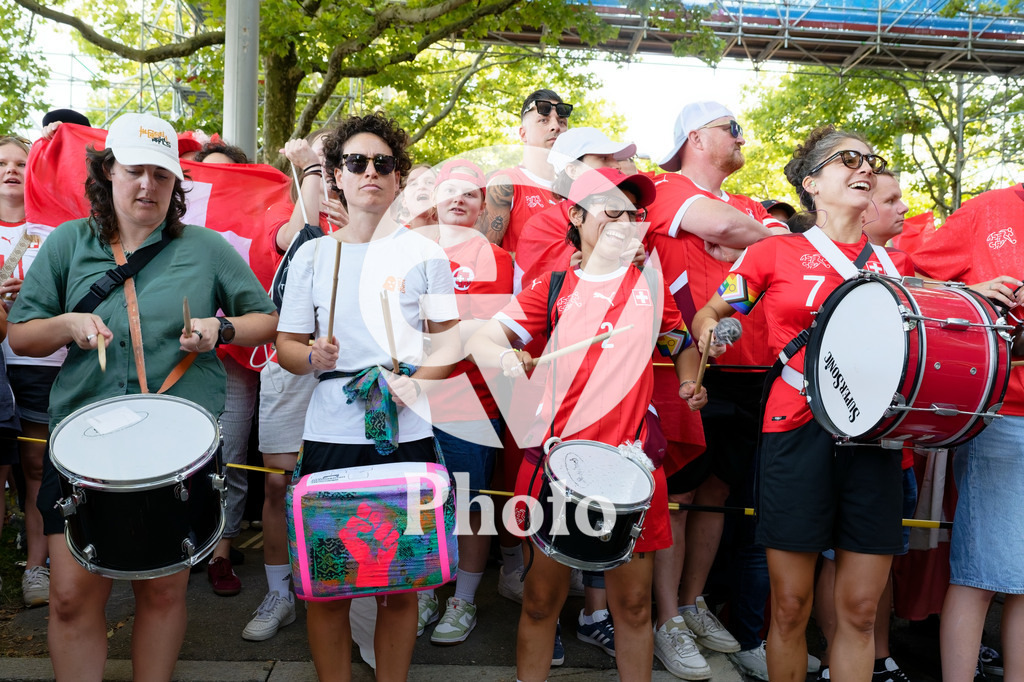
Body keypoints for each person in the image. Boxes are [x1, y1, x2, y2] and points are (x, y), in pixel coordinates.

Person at [7, 111, 278, 681]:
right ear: (107, 171)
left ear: (177, 185)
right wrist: (69, 324)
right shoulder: (67, 243)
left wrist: (219, 330)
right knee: (71, 596)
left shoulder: (204, 248)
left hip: (173, 448)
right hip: (82, 441)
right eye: (135, 171)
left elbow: (265, 319)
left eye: (162, 175)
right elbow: (22, 335)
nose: (148, 186)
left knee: (161, 592)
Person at [691, 124, 914, 682]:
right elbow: (715, 312)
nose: (864, 168)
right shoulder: (774, 254)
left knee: (860, 613)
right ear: (812, 182)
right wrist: (713, 332)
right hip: (794, 433)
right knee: (789, 609)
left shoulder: (898, 268)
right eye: (847, 160)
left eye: (871, 160)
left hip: (875, 441)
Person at [466, 167, 707, 682]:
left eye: (634, 215)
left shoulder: (650, 287)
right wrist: (508, 359)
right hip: (556, 465)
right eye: (611, 211)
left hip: (633, 465)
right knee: (539, 603)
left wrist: (689, 380)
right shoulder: (551, 286)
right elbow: (485, 339)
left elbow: (681, 342)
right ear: (575, 216)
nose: (625, 222)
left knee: (635, 609)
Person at [274, 112, 459, 682]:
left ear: (399, 178)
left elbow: (449, 344)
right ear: (336, 176)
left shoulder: (425, 255)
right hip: (330, 433)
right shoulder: (312, 255)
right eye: (356, 162)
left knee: (402, 582)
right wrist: (312, 358)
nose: (370, 172)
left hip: (407, 433)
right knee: (328, 586)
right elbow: (286, 345)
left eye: (383, 163)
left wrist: (415, 383)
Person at [643, 100, 787, 680]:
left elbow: (771, 247)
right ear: (697, 138)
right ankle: (664, 620)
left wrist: (744, 244)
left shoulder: (751, 203)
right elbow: (738, 236)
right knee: (676, 493)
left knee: (719, 492)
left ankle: (690, 602)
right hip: (683, 358)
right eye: (732, 128)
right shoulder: (662, 187)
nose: (742, 136)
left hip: (752, 367)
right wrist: (745, 244)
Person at [908, 182, 1024, 682]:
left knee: (1022, 582)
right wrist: (970, 293)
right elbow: (909, 276)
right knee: (980, 573)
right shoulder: (991, 208)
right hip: (1004, 413)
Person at [242, 127, 347, 642]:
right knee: (279, 484)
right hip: (290, 362)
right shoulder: (284, 216)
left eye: (336, 156)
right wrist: (309, 166)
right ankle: (280, 591)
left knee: (334, 486)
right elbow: (298, 229)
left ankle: (333, 585)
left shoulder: (365, 210)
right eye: (324, 157)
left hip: (352, 367)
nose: (330, 165)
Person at [812, 170, 915, 682]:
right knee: (817, 574)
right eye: (890, 199)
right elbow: (730, 303)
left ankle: (873, 658)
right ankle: (835, 663)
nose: (903, 208)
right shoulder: (795, 255)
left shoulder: (903, 265)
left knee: (870, 582)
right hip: (815, 440)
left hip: (890, 445)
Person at [411, 159, 514, 645]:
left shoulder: (497, 259)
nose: (459, 199)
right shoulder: (404, 250)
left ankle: (464, 600)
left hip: (469, 403)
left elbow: (473, 335)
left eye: (470, 193)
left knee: (471, 505)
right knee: (417, 504)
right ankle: (425, 591)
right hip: (409, 402)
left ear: (481, 206)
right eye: (450, 190)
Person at [0, 132, 59, 608]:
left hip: (40, 360)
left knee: (37, 465)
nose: (11, 170)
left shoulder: (56, 231)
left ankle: (37, 568)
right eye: (2, 163)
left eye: (21, 162)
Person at [477, 88, 569, 253]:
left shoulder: (575, 189)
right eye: (544, 120)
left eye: (561, 122)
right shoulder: (506, 182)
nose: (556, 127)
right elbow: (484, 254)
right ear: (523, 133)